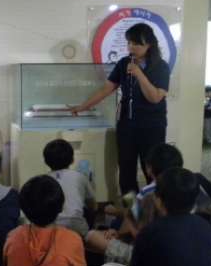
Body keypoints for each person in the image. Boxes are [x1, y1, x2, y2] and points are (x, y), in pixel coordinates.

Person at [71, 23, 171, 196]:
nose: (131, 47)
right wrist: (82, 107)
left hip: (152, 126)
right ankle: (131, 209)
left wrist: (139, 73)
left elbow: (155, 97)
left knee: (152, 169)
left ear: (149, 44)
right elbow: (106, 89)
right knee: (126, 171)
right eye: (129, 43)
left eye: (136, 43)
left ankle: (154, 207)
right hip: (127, 125)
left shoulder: (160, 67)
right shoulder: (124, 63)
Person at [88, 143, 183, 262]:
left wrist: (118, 233)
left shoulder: (147, 192)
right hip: (179, 250)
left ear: (149, 168)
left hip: (150, 256)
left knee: (91, 236)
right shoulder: (189, 186)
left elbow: (130, 228)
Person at [42, 139, 96, 237]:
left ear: (46, 161)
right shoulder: (80, 176)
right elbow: (92, 205)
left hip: (51, 226)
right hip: (76, 225)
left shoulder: (43, 180)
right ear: (72, 160)